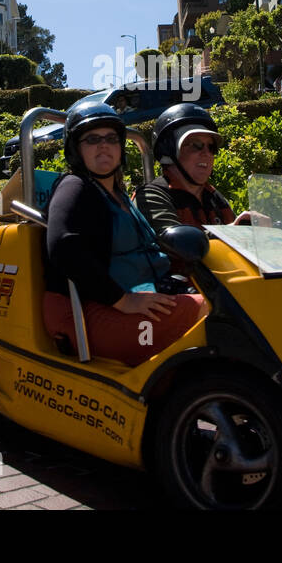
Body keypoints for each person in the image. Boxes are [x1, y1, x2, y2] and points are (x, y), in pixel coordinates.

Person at [43, 103, 206, 366]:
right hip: (89, 311)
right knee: (212, 312)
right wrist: (122, 300)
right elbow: (64, 245)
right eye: (92, 139)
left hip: (139, 296)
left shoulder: (119, 194)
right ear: (76, 149)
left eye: (111, 139)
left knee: (232, 296)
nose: (104, 146)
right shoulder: (75, 186)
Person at [133, 104, 266, 275]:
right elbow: (175, 245)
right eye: (195, 145)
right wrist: (233, 234)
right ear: (169, 150)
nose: (206, 153)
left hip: (221, 287)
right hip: (178, 291)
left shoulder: (213, 197)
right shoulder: (151, 196)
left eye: (211, 147)